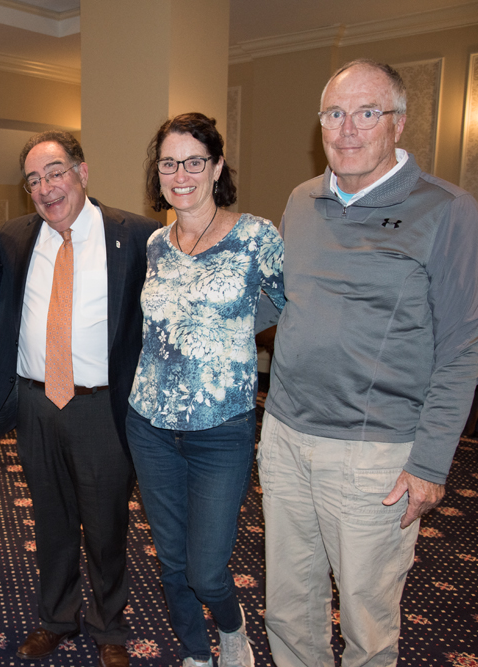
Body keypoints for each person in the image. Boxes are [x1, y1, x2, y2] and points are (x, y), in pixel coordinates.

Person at [258, 59, 478, 667]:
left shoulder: (445, 209)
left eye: (368, 113)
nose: (348, 129)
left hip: (373, 456)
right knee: (288, 607)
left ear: (399, 124)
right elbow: (285, 299)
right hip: (283, 436)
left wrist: (431, 462)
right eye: (335, 114)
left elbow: (467, 343)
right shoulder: (302, 199)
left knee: (367, 620)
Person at [0, 130, 160, 667]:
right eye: (34, 179)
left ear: (82, 173)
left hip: (101, 407)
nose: (46, 187)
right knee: (50, 517)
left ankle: (110, 626)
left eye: (56, 172)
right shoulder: (14, 238)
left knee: (107, 522)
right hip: (36, 403)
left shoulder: (137, 236)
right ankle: (56, 618)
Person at [125, 113, 284, 667]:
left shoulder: (257, 236)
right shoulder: (155, 245)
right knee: (170, 559)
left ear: (216, 167)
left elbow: (291, 310)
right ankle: (196, 652)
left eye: (194, 161)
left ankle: (231, 627)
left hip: (221, 431)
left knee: (206, 568)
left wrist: (235, 326)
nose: (181, 174)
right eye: (169, 163)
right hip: (149, 427)